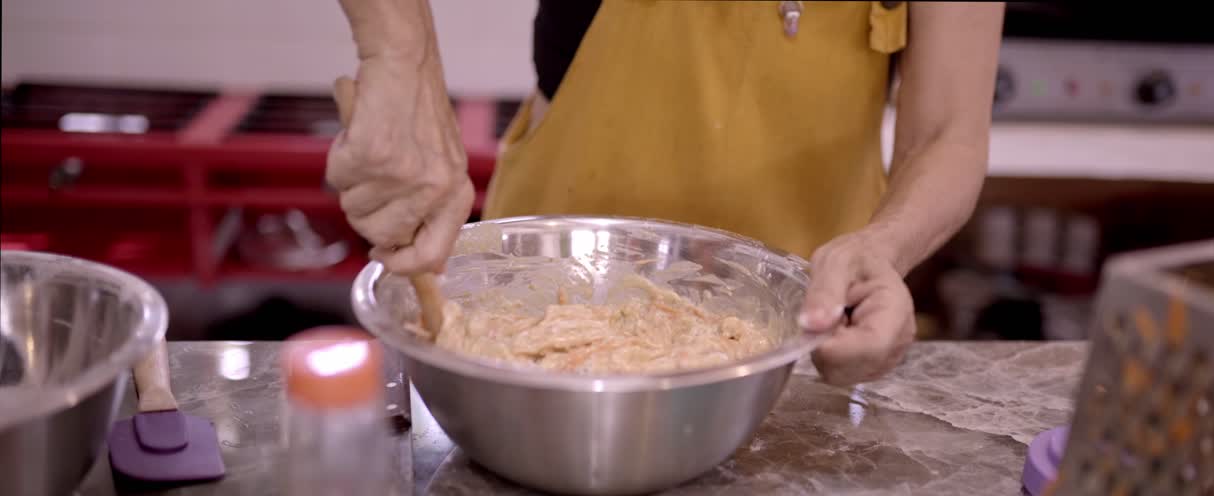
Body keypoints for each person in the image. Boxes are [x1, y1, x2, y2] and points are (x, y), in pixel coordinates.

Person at [325, 0, 1004, 386]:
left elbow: (948, 133)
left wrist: (885, 247)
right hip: (543, 296)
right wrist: (402, 60)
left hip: (803, 338)